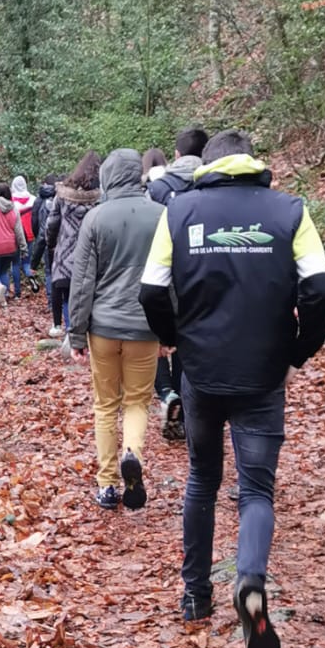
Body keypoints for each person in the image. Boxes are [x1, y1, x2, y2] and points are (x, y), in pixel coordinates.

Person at [140, 129, 325, 648]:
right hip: (263, 374)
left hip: (201, 371)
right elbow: (319, 287)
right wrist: (300, 349)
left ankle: (195, 596)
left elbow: (151, 289)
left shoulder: (179, 213)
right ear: (253, 163)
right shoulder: (289, 211)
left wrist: (174, 336)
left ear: (208, 165)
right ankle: (249, 577)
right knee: (256, 490)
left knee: (203, 476)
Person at [67, 151, 163, 510]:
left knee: (105, 406)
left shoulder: (95, 217)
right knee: (137, 402)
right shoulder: (162, 215)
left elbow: (82, 282)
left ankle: (108, 484)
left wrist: (76, 334)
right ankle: (131, 453)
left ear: (108, 176)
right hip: (145, 327)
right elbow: (173, 279)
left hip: (103, 328)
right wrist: (171, 332)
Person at [148, 129, 208, 439]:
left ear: (177, 155)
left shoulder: (158, 188)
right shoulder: (212, 185)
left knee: (159, 341)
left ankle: (167, 393)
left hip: (164, 276)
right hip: (201, 279)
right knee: (187, 347)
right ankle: (186, 406)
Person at [46, 151, 101, 336]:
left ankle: (71, 335)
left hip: (65, 255)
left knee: (67, 295)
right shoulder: (100, 198)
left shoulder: (62, 195)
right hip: (92, 255)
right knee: (88, 296)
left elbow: (51, 224)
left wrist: (52, 244)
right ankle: (86, 336)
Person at [0, 184, 26, 308]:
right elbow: (18, 230)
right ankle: (4, 297)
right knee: (4, 270)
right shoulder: (13, 208)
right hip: (10, 246)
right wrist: (23, 247)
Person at [9, 176, 34, 298]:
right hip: (30, 234)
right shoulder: (33, 199)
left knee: (15, 264)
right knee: (27, 262)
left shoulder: (11, 202)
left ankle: (17, 293)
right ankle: (32, 280)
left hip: (15, 236)